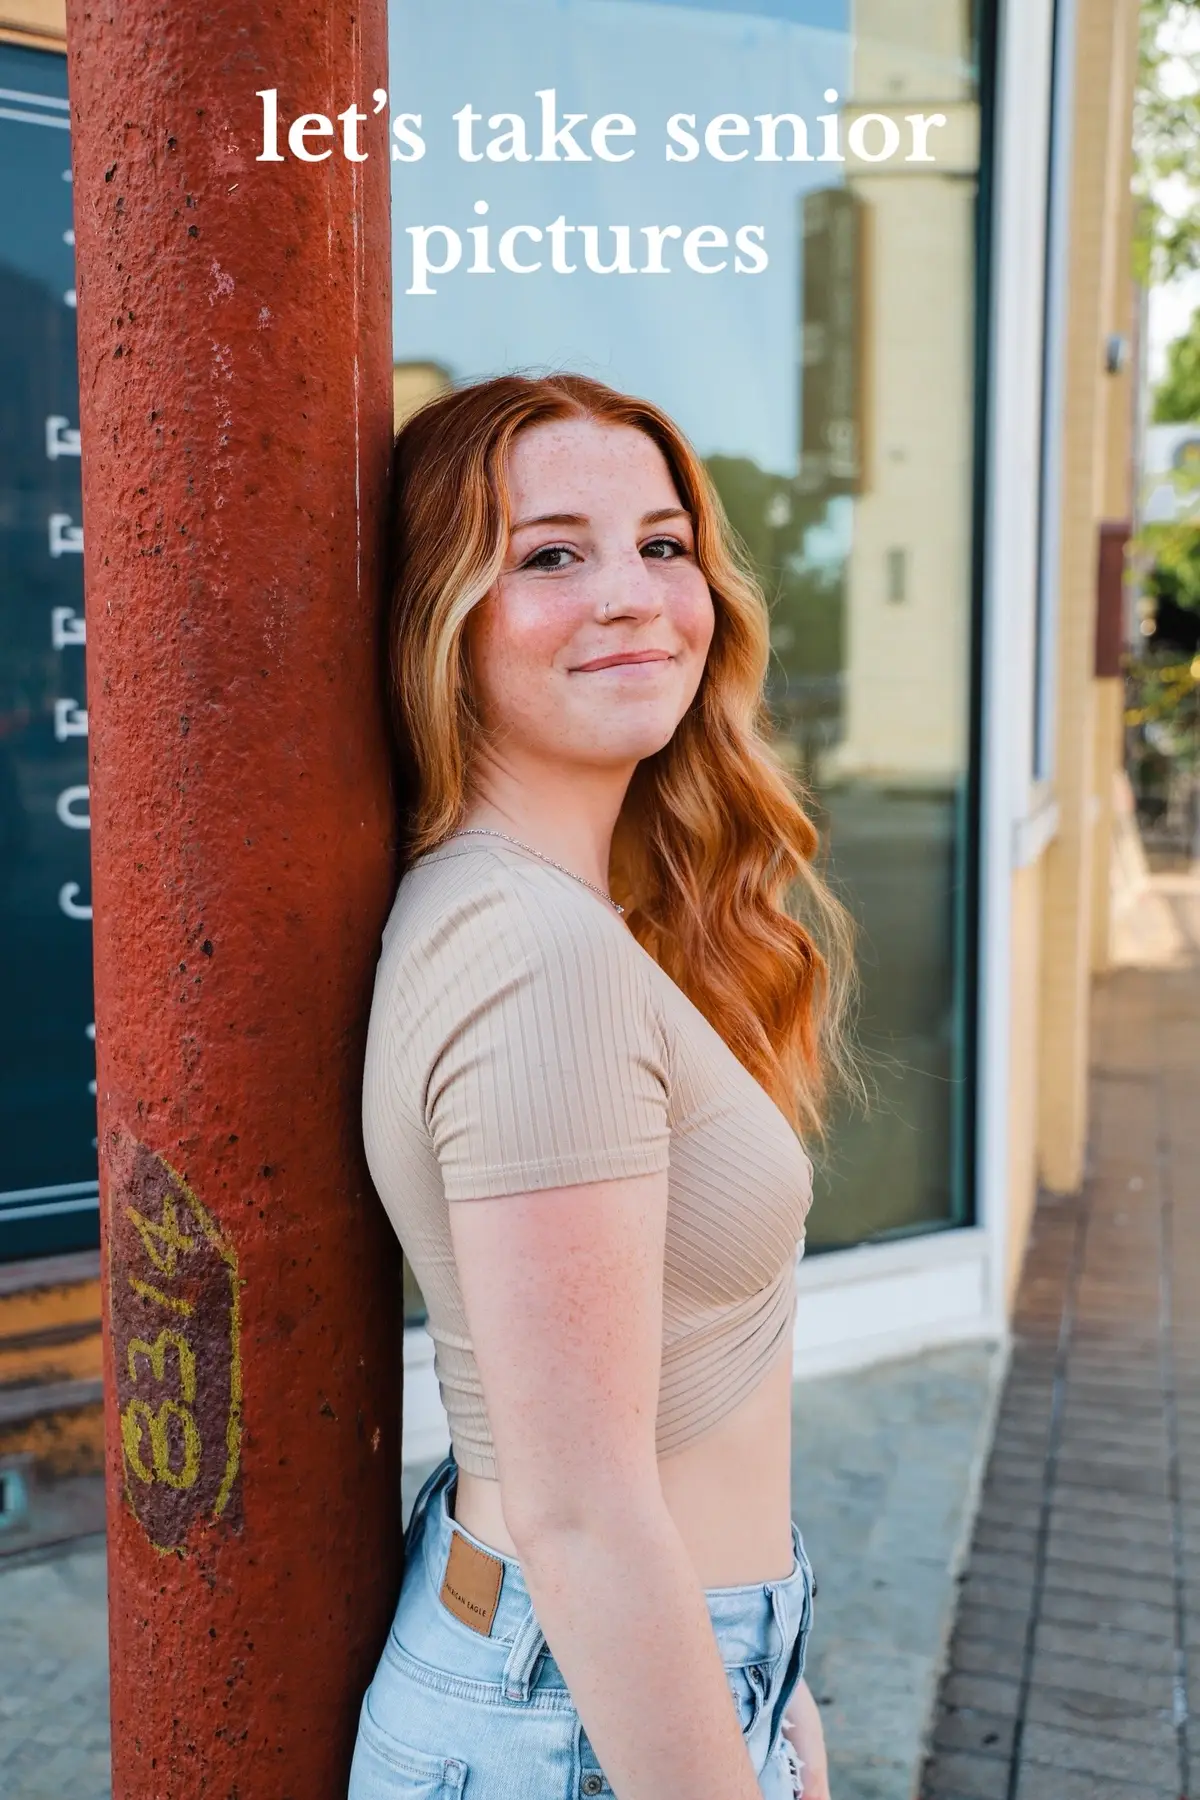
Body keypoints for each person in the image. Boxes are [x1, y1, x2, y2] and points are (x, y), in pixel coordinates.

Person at [351, 371, 854, 1800]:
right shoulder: (534, 954)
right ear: (438, 621)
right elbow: (579, 1517)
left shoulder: (556, 915)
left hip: (621, 1683)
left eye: (664, 544)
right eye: (550, 555)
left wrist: (782, 1697)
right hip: (582, 1714)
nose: (635, 596)